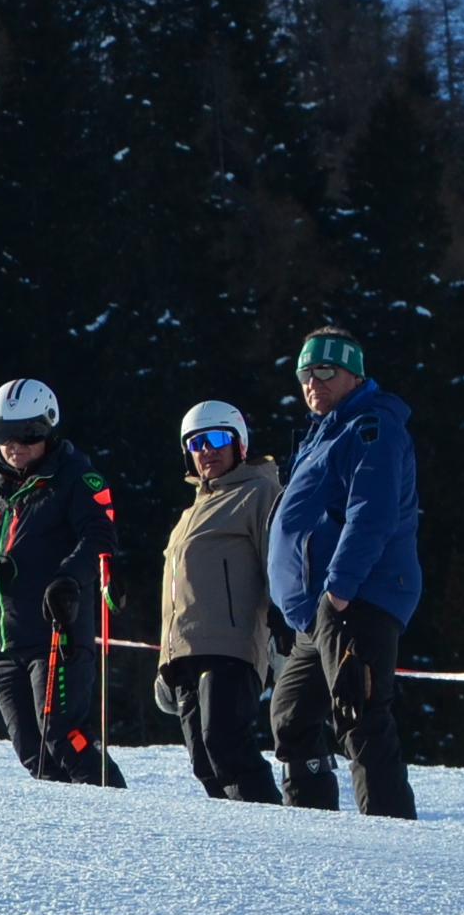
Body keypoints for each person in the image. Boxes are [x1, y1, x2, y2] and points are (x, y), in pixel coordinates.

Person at [265, 328, 420, 817]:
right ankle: (315, 829)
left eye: (325, 371)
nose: (313, 383)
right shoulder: (324, 432)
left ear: (354, 374)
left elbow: (372, 515)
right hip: (317, 612)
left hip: (356, 598)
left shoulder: (371, 427)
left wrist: (338, 592)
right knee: (291, 716)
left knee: (359, 714)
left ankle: (390, 837)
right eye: (305, 374)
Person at [0, 378, 122, 785]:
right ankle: (66, 820)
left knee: (64, 736)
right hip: (5, 639)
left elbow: (99, 536)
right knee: (33, 752)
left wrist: (69, 579)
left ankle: (115, 808)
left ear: (48, 427)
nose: (14, 445)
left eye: (27, 433)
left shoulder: (75, 478)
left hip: (56, 633)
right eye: (1, 434)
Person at [155, 399, 283, 803]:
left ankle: (270, 825)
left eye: (216, 439)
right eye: (196, 443)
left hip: (229, 645)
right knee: (203, 761)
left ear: (238, 444)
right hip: (185, 651)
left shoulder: (259, 492)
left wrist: (282, 618)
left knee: (225, 743)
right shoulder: (192, 510)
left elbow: (279, 560)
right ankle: (235, 833)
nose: (206, 450)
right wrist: (165, 659)